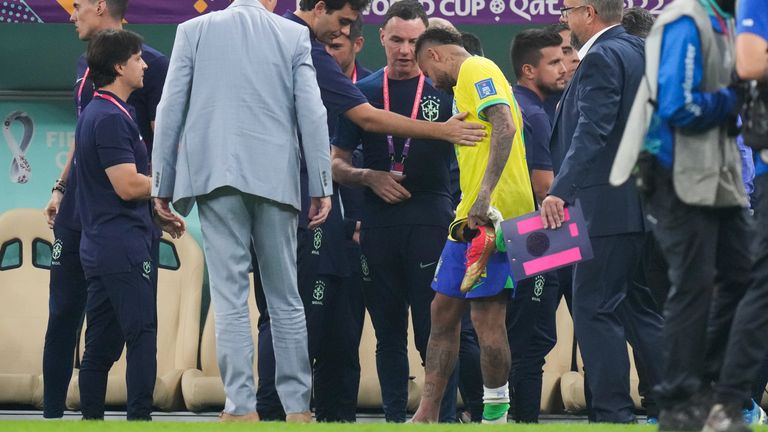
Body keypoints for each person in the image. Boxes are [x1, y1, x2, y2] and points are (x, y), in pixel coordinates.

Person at [152, 0, 333, 423]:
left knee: (230, 295)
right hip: (276, 178)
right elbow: (313, 111)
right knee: (286, 296)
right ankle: (297, 408)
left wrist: (162, 182)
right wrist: (321, 183)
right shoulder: (293, 35)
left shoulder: (192, 31)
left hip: (215, 175)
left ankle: (240, 407)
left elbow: (169, 109)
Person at [610, 0, 752, 429]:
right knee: (692, 286)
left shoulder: (725, 20)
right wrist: (736, 96)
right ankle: (678, 400)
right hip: (677, 173)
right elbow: (679, 106)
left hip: (718, 173)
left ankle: (711, 392)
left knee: (743, 278)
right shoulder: (684, 21)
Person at [331, 0, 461, 422]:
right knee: (387, 334)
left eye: (414, 41)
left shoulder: (446, 88)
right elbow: (335, 162)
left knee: (435, 330)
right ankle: (392, 419)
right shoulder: (362, 93)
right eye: (397, 40)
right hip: (378, 225)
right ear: (380, 39)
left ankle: (439, 417)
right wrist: (367, 176)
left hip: (431, 221)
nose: (406, 50)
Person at [41, 0, 168, 419]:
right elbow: (106, 158)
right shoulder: (97, 91)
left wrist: (158, 200)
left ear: (101, 6)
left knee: (114, 334)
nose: (70, 14)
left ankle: (107, 417)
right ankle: (61, 416)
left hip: (119, 223)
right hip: (98, 222)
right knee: (75, 318)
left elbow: (158, 144)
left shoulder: (147, 72)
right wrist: (61, 188)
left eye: (77, 5)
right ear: (118, 67)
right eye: (134, 60)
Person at [540, 0, 664, 423]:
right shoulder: (640, 49)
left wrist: (560, 189)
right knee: (637, 307)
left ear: (589, 13)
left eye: (569, 9)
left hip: (604, 205)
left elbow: (594, 128)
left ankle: (612, 413)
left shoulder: (602, 55)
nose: (564, 18)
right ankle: (673, 404)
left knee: (595, 307)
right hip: (642, 203)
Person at [410, 27, 535, 424]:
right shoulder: (469, 83)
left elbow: (505, 125)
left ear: (433, 57)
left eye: (427, 73)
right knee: (443, 310)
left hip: (493, 217)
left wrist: (484, 196)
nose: (431, 83)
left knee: (486, 317)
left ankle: (496, 417)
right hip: (470, 214)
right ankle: (427, 413)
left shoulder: (475, 68)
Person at [73, 28, 184, 421]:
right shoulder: (109, 118)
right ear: (120, 67)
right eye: (138, 58)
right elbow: (126, 185)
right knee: (142, 335)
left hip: (105, 244)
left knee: (100, 348)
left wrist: (156, 213)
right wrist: (174, 182)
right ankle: (140, 420)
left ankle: (90, 422)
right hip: (122, 247)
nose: (144, 64)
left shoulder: (104, 112)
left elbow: (118, 188)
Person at [505, 28, 566, 423]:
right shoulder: (535, 115)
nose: (564, 69)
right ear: (529, 70)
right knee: (532, 339)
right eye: (555, 62)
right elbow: (546, 190)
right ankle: (523, 422)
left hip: (509, 233)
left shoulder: (510, 104)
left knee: (516, 333)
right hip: (537, 234)